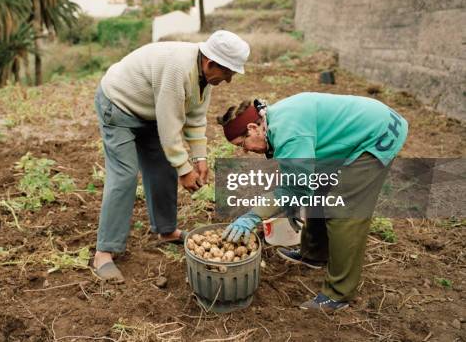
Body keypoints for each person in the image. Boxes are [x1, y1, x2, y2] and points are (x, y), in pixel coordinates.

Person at [218, 92, 408, 311]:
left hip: (378, 134)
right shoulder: (274, 122)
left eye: (243, 144)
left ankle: (338, 294)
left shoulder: (288, 132)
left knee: (342, 209)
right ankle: (315, 254)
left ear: (252, 128)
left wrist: (253, 216)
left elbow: (295, 187)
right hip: (360, 128)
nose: (246, 151)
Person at [92, 30, 250, 283]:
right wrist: (184, 170)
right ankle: (104, 252)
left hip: (150, 112)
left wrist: (199, 159)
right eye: (228, 73)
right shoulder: (178, 69)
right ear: (211, 63)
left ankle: (166, 231)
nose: (229, 80)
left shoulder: (204, 77)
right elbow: (170, 125)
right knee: (124, 177)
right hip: (119, 106)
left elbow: (195, 118)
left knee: (164, 168)